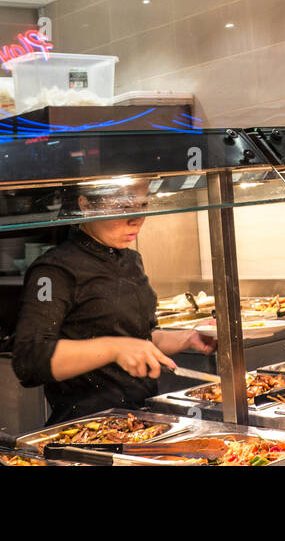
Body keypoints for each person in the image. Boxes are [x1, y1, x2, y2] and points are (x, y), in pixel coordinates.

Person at [11, 181, 216, 424]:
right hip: (86, 430)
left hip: (140, 421)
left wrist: (188, 338)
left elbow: (140, 338)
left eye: (143, 205)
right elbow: (29, 360)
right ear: (86, 206)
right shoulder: (54, 270)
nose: (137, 219)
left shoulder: (131, 260)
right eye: (124, 206)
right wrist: (114, 348)